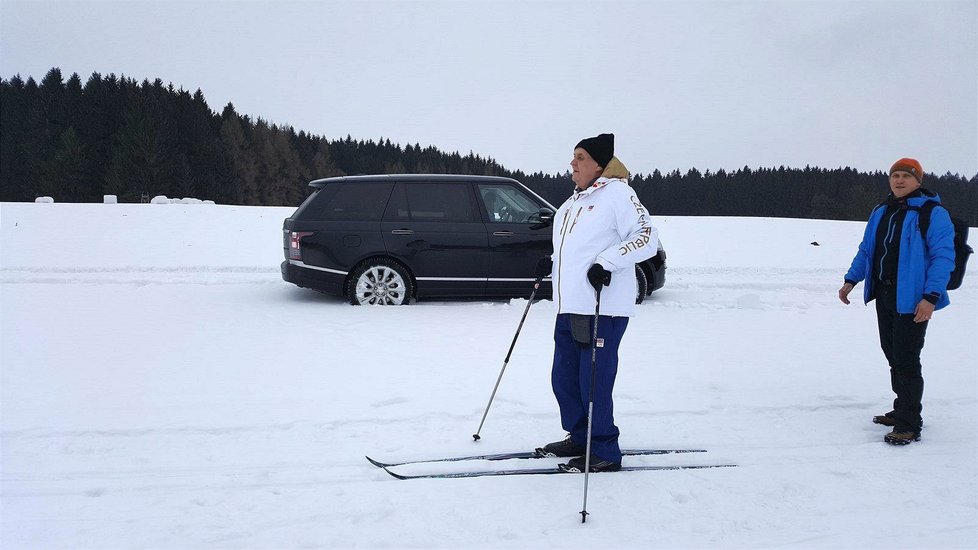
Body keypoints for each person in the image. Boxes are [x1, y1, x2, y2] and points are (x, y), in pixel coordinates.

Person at [534, 133, 658, 471]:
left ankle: (603, 449)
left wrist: (609, 261)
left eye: (580, 157)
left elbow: (647, 238)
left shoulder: (618, 194)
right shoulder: (572, 202)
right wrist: (553, 261)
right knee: (564, 378)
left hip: (602, 308)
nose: (572, 163)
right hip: (570, 306)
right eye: (573, 157)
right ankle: (580, 435)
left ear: (599, 165)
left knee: (593, 382)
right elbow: (576, 248)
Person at [838, 157, 955, 445]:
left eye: (906, 176)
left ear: (918, 181)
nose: (899, 180)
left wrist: (930, 297)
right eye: (895, 175)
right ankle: (901, 408)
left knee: (906, 359)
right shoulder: (881, 210)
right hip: (885, 294)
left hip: (914, 299)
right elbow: (867, 250)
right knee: (892, 354)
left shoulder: (933, 213)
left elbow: (943, 258)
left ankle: (909, 422)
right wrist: (851, 280)